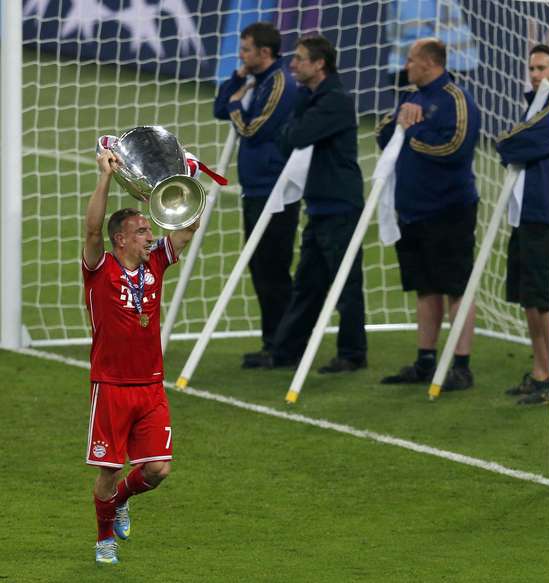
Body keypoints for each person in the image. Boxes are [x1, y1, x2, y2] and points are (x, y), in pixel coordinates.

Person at [84, 150, 199, 564]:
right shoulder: (100, 269)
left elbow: (188, 227)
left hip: (150, 385)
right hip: (112, 385)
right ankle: (103, 541)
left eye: (149, 229)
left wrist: (185, 178)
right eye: (141, 230)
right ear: (121, 239)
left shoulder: (155, 264)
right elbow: (93, 230)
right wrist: (105, 178)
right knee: (108, 472)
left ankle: (120, 503)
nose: (150, 236)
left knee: (158, 470)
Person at [252, 34, 367, 373]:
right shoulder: (312, 97)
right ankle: (286, 350)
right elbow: (289, 135)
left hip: (340, 205)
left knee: (345, 283)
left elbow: (294, 136)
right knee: (307, 283)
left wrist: (293, 127)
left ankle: (352, 353)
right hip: (320, 204)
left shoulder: (336, 101)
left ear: (319, 64)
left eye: (301, 58)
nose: (293, 64)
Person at [376, 38, 481, 392]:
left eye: (410, 60)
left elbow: (455, 147)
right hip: (413, 210)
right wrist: (401, 124)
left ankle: (461, 366)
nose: (406, 66)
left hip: (449, 210)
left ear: (430, 63)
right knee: (425, 287)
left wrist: (413, 130)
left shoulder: (456, 98)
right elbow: (382, 135)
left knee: (456, 287)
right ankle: (425, 359)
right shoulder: (412, 98)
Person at [214, 22, 299, 369]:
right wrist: (237, 81)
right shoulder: (258, 80)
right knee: (261, 267)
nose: (241, 54)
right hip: (256, 188)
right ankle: (274, 343)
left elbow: (252, 128)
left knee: (274, 269)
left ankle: (286, 345)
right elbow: (220, 108)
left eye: (246, 49)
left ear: (265, 52)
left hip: (275, 190)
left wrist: (237, 106)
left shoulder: (280, 83)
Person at [496, 44, 549, 405]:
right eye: (532, 68)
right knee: (528, 298)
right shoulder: (535, 107)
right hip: (525, 214)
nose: (535, 74)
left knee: (544, 298)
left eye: (542, 67)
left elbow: (515, 142)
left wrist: (507, 140)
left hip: (544, 214)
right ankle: (541, 371)